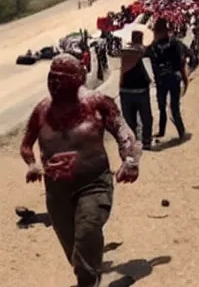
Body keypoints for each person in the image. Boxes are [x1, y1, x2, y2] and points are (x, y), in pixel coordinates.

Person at [19, 54, 141, 287]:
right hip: (57, 192)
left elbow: (123, 132)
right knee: (74, 250)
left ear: (77, 79)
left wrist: (129, 160)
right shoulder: (42, 110)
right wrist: (32, 164)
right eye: (52, 77)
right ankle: (90, 275)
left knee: (87, 232)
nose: (55, 83)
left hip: (93, 184)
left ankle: (87, 281)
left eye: (62, 78)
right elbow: (26, 145)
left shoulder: (97, 103)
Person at [145, 18, 189, 139]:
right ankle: (165, 131)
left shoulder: (170, 44)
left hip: (170, 79)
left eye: (157, 31)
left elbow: (180, 61)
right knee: (163, 107)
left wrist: (184, 77)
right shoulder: (155, 46)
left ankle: (180, 131)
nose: (156, 34)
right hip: (164, 80)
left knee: (172, 107)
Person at [119, 30, 153, 150]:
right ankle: (146, 141)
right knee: (146, 117)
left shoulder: (125, 52)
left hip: (125, 90)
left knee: (129, 119)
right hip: (141, 90)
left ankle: (133, 142)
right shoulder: (143, 51)